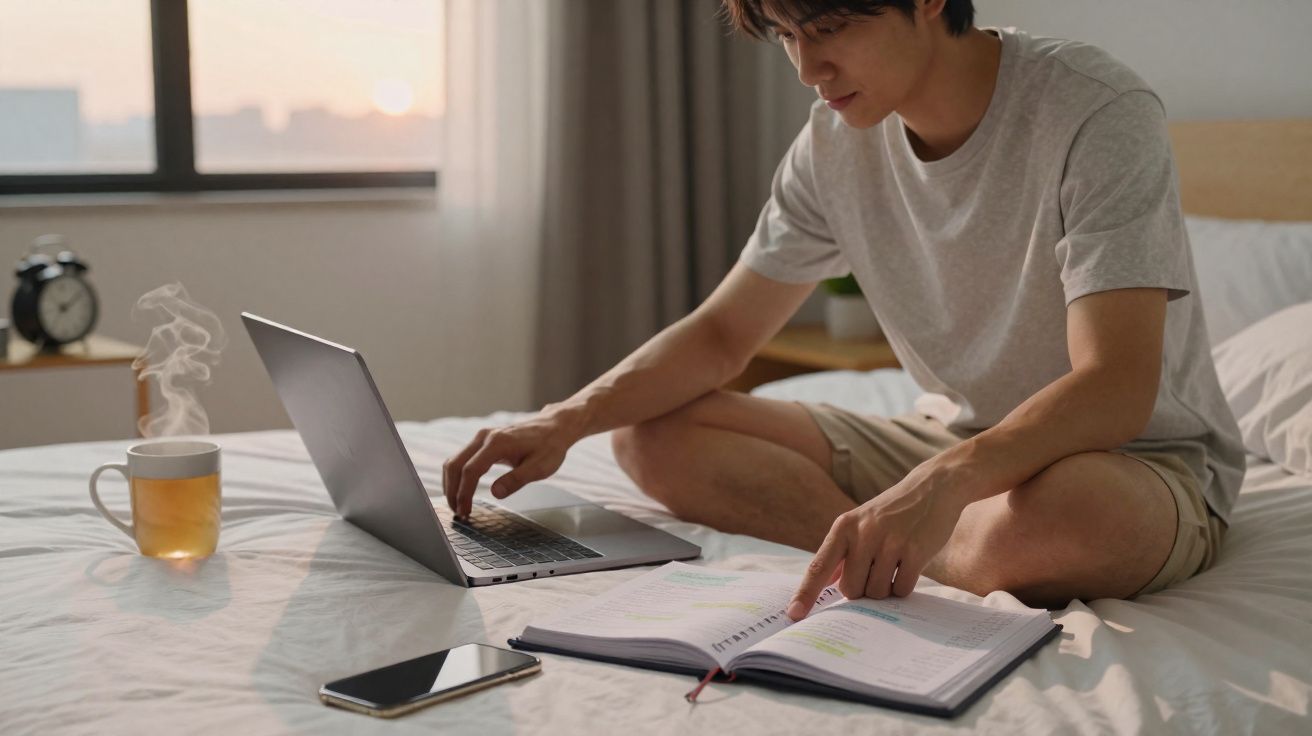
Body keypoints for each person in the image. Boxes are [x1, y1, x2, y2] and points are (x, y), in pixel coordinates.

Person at [443, 0, 1244, 618]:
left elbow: (1115, 386)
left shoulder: (1095, 112)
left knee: (1077, 514)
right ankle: (888, 546)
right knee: (654, 435)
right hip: (950, 441)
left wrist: (939, 487)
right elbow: (724, 333)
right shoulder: (833, 141)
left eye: (826, 26)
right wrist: (565, 417)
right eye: (787, 34)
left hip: (1132, 461)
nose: (806, 67)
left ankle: (900, 542)